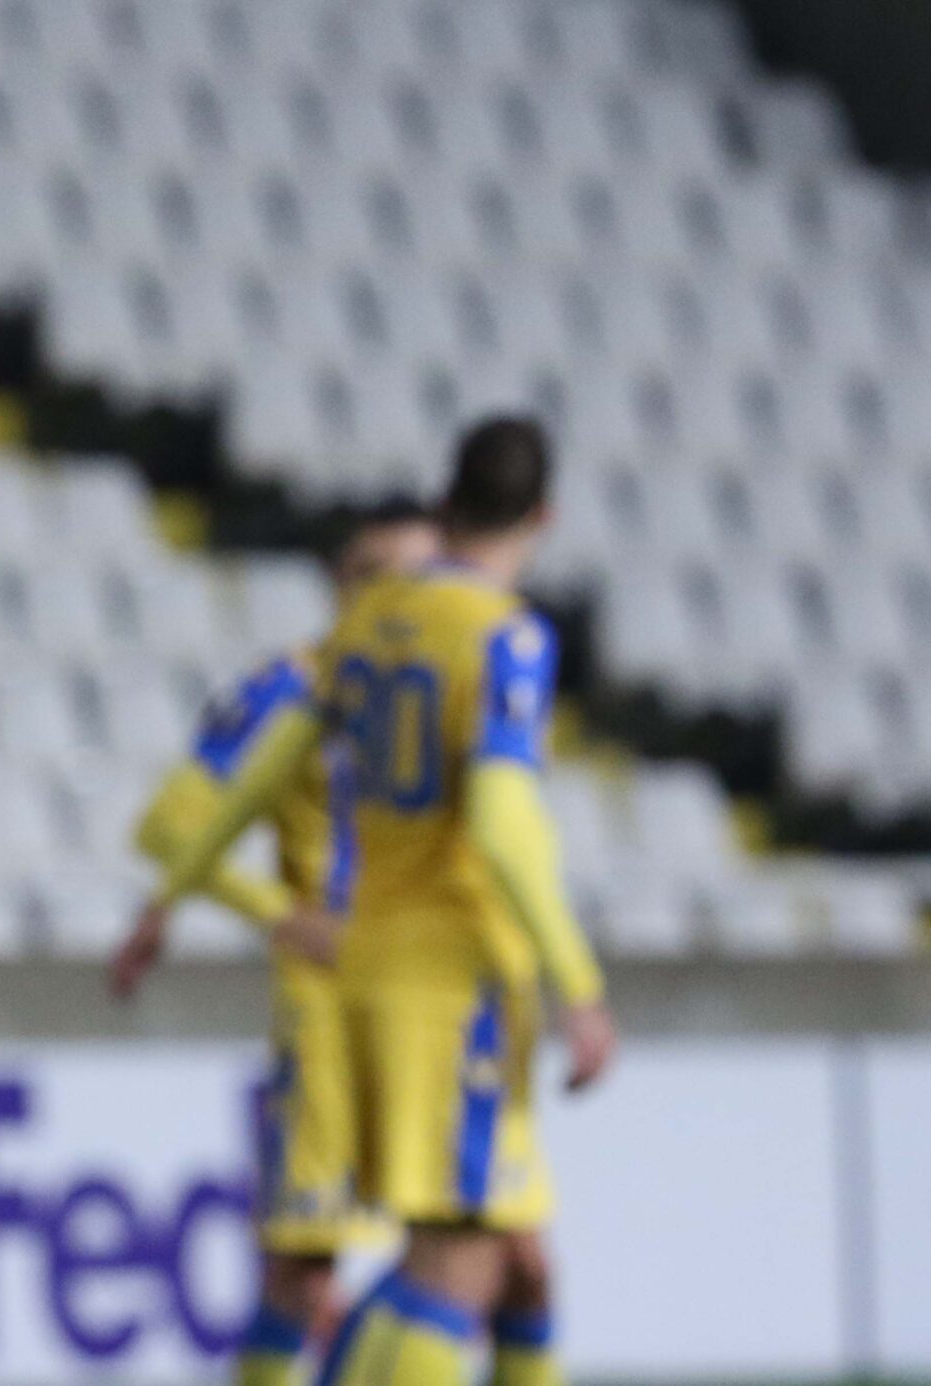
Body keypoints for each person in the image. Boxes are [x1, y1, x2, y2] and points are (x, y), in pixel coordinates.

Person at [138, 419, 617, 1386]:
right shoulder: (492, 637)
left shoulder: (364, 643)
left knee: (509, 1263)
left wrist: (166, 905)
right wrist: (578, 983)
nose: (391, 582)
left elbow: (236, 798)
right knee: (420, 1260)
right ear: (544, 515)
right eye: (370, 568)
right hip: (431, 978)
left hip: (374, 969)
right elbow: (501, 818)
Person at [112, 499, 438, 1386]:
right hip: (329, 1011)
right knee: (305, 1267)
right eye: (375, 574)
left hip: (430, 1000)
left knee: (466, 1249)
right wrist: (277, 912)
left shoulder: (440, 691)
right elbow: (170, 821)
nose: (398, 595)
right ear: (340, 585)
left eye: (419, 576)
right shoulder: (295, 687)